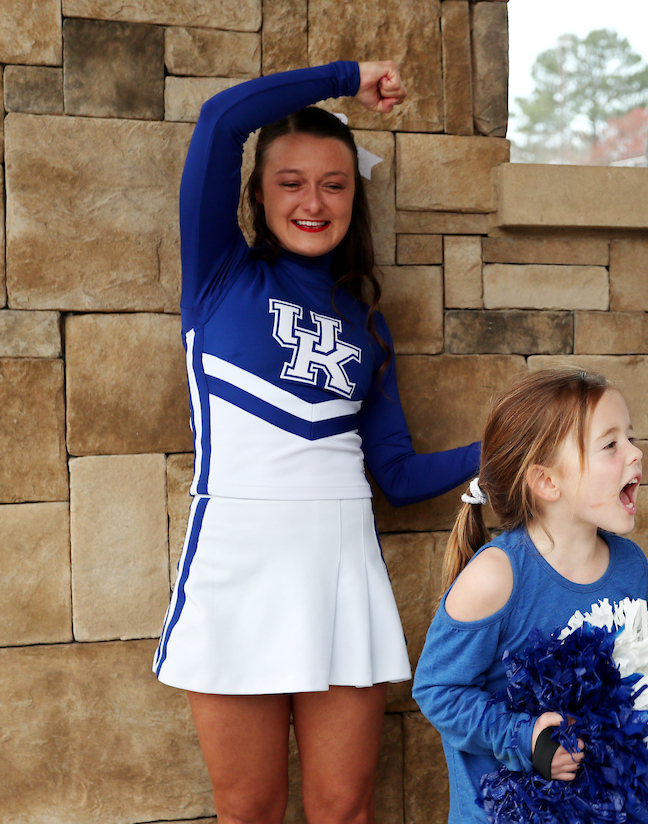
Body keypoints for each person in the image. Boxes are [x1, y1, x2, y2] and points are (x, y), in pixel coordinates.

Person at [152, 60, 480, 824]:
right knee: (251, 811)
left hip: (341, 571)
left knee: (345, 809)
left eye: (334, 184)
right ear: (257, 195)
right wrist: (347, 78)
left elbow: (394, 475)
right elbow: (221, 119)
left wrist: (499, 449)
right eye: (290, 182)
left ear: (353, 197)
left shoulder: (367, 323)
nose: (312, 201)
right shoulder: (218, 277)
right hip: (239, 565)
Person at [412, 368, 648, 823]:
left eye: (631, 437)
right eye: (611, 444)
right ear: (546, 482)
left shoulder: (631, 568)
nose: (636, 453)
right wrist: (526, 739)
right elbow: (437, 689)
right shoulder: (496, 577)